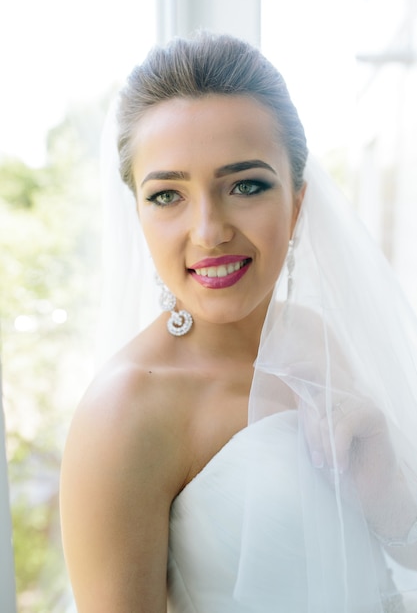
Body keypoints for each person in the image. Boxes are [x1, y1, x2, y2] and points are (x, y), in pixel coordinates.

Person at [60, 33, 417, 612]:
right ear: (139, 217)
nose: (208, 230)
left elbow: (397, 556)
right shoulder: (125, 411)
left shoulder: (308, 336)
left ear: (297, 203)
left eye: (246, 185)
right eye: (167, 195)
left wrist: (382, 483)